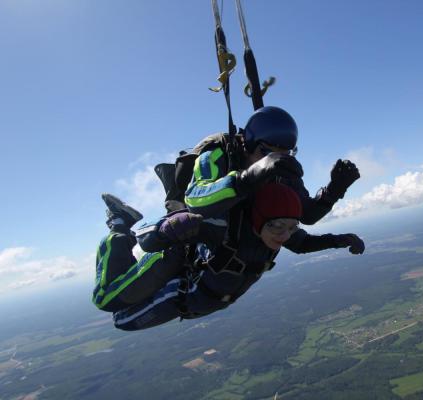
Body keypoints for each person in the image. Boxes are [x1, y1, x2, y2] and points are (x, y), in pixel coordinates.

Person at [93, 183, 365, 331]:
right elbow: (152, 233)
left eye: (292, 227)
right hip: (179, 293)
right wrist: (168, 227)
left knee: (123, 311)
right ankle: (119, 224)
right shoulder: (224, 228)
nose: (284, 235)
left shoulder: (273, 230)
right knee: (119, 317)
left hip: (202, 299)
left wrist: (339, 240)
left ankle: (125, 226)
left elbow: (303, 242)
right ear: (259, 219)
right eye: (277, 226)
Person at [156, 106, 360, 225]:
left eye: (284, 154)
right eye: (266, 153)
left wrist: (334, 191)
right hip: (197, 248)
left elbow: (305, 214)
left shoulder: (278, 170)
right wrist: (248, 178)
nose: (271, 161)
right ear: (248, 144)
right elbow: (194, 200)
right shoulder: (219, 153)